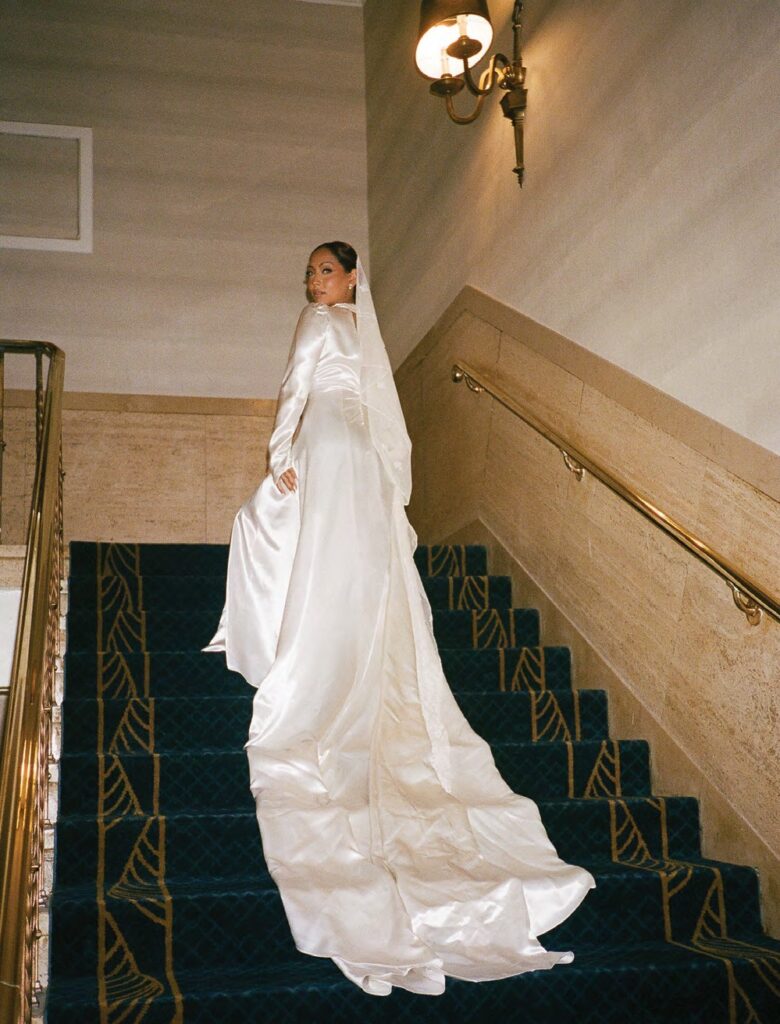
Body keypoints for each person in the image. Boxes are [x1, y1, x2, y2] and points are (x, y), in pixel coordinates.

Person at [204, 242, 595, 997]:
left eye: (324, 270)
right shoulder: (369, 333)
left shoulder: (320, 324)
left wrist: (279, 453)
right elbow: (385, 412)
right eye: (310, 272)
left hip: (326, 443)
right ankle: (352, 653)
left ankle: (314, 662)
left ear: (352, 277)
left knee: (310, 552)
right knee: (357, 566)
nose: (313, 281)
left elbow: (294, 389)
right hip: (366, 458)